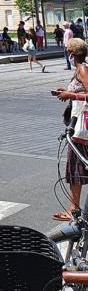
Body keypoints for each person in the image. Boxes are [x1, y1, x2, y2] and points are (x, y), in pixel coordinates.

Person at [53, 38, 88, 220]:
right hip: (79, 125)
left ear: (71, 54)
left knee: (76, 167)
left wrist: (70, 94)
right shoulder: (80, 69)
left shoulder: (82, 69)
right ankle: (73, 208)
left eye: (67, 50)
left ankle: (73, 209)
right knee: (77, 168)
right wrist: (66, 93)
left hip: (82, 128)